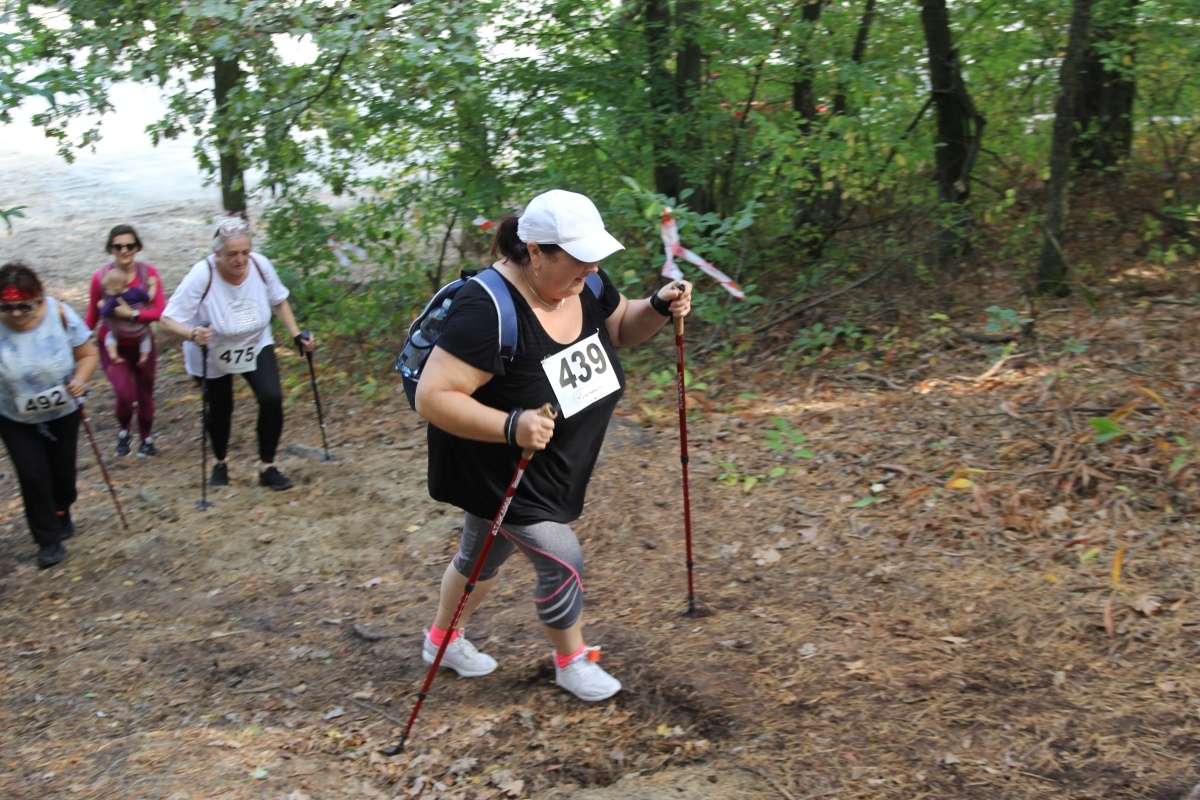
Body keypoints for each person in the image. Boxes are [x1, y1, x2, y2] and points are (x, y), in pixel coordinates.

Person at [414, 189, 691, 701]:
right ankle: (571, 660)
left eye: (593, 265)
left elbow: (621, 328)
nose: (589, 275)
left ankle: (441, 640)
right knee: (562, 557)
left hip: (552, 460)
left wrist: (656, 305)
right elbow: (433, 397)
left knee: (481, 557)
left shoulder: (583, 281)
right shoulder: (486, 307)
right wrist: (511, 425)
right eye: (578, 265)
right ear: (536, 251)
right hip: (501, 461)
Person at [160, 217, 314, 491]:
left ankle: (267, 466)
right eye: (232, 254)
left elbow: (278, 299)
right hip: (213, 350)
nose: (241, 259)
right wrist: (193, 334)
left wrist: (294, 333)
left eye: (245, 252)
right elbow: (167, 321)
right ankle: (220, 462)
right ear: (217, 253)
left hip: (254, 342)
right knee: (220, 410)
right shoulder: (201, 275)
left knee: (272, 397)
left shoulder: (260, 264)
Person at [0, 263, 99, 567]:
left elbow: (88, 354)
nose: (17, 313)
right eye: (7, 307)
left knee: (63, 474)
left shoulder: (59, 315)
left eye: (24, 306)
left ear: (39, 299)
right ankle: (47, 540)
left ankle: (62, 508)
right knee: (32, 475)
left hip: (63, 409)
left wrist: (80, 380)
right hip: (14, 415)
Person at [85, 225, 166, 458]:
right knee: (125, 393)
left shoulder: (148, 274)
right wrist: (74, 344)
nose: (124, 250)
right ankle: (124, 431)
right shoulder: (100, 278)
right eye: (118, 246)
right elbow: (92, 316)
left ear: (137, 247)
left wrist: (132, 315)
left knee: (145, 393)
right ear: (111, 248)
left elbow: (160, 311)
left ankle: (146, 439)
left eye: (130, 245)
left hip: (142, 343)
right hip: (113, 344)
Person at [98, 268, 155, 368]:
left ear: (116, 288)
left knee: (110, 335)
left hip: (121, 331)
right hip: (139, 329)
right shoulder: (137, 292)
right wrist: (154, 284)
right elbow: (149, 298)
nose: (106, 292)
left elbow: (105, 313)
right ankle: (144, 356)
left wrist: (101, 306)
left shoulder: (114, 300)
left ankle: (113, 354)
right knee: (146, 337)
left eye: (107, 289)